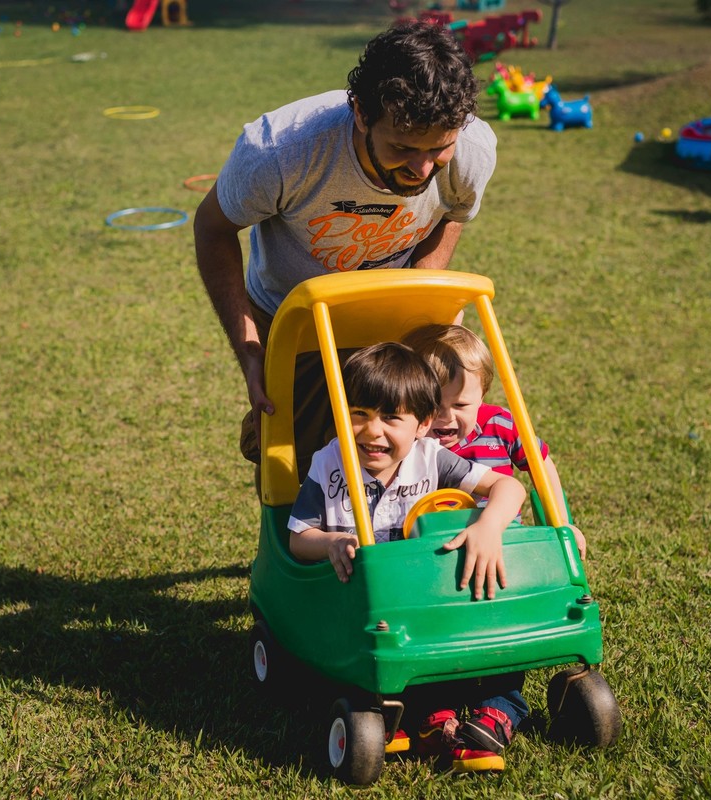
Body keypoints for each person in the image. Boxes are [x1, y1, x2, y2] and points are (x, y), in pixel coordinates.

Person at [193, 21, 498, 475]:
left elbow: (452, 211)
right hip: (291, 316)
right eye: (402, 147)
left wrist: (421, 309)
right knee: (295, 465)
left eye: (439, 149)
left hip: (389, 315)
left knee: (400, 454)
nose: (421, 168)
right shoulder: (280, 151)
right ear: (360, 113)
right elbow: (213, 227)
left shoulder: (472, 150)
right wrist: (252, 351)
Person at [285, 342, 529, 773]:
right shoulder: (329, 462)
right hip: (364, 605)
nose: (371, 431)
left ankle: (488, 713)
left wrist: (488, 527)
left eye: (391, 417)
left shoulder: (431, 458)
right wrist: (329, 542)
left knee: (488, 632)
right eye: (358, 414)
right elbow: (297, 537)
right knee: (386, 658)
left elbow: (511, 488)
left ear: (423, 424)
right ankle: (428, 714)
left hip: (424, 594)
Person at [401, 323, 587, 559]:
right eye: (433, 405)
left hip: (503, 540)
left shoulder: (500, 424)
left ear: (482, 396)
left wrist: (560, 521)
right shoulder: (406, 438)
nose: (446, 417)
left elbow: (540, 463)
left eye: (460, 405)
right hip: (431, 550)